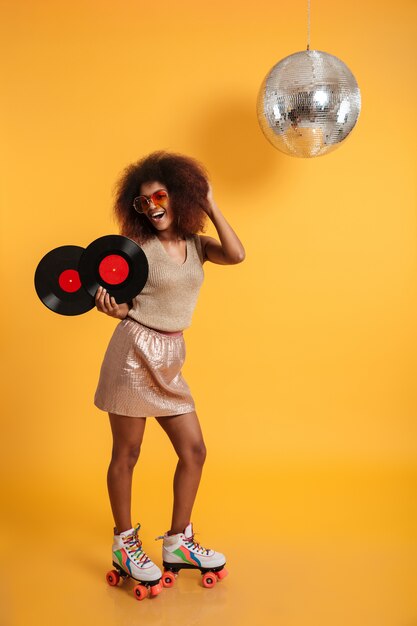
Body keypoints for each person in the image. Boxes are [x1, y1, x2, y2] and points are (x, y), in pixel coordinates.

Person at [94, 150, 245, 592]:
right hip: (133, 354)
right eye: (143, 202)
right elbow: (123, 301)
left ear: (180, 196)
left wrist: (212, 204)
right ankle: (125, 543)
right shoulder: (138, 249)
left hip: (172, 356)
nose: (153, 206)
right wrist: (113, 309)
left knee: (194, 451)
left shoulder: (199, 247)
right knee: (128, 452)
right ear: (135, 208)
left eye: (160, 195)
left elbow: (236, 255)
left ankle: (178, 541)